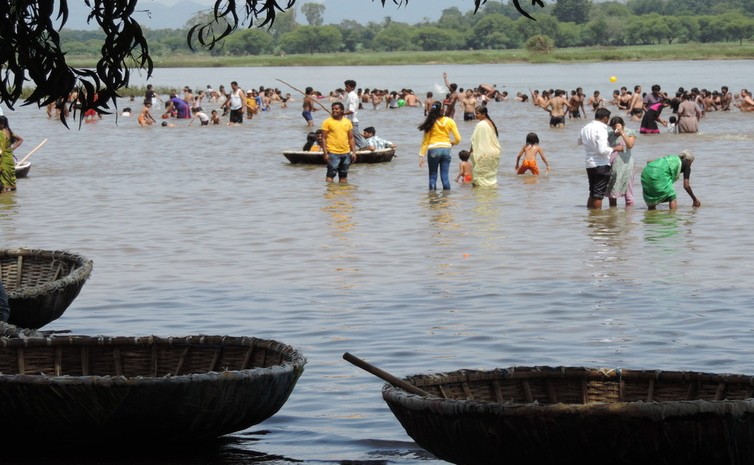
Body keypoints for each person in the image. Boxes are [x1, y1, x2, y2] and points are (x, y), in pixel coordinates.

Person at [578, 108, 624, 209]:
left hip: (589, 164)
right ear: (605, 118)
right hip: (601, 164)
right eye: (607, 119)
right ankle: (597, 218)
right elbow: (602, 150)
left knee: (593, 193)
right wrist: (617, 148)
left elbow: (579, 141)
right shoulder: (601, 129)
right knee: (599, 195)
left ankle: (591, 216)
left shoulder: (585, 127)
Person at [418, 101, 461, 191]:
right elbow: (458, 138)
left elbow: (425, 141)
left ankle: (433, 200)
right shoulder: (450, 121)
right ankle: (446, 200)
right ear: (443, 109)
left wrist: (421, 156)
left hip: (433, 150)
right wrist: (453, 143)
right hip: (446, 149)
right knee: (445, 176)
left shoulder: (430, 122)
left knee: (433, 176)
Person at [321, 102, 356, 184]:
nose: (334, 110)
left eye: (336, 109)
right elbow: (324, 138)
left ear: (342, 111)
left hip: (346, 153)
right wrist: (325, 153)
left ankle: (342, 194)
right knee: (330, 175)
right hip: (333, 153)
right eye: (333, 109)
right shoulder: (327, 122)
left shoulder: (347, 122)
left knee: (343, 176)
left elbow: (351, 138)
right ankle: (330, 193)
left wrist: (354, 152)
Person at [606, 116, 637, 207]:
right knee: (612, 193)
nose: (615, 130)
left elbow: (630, 145)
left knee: (628, 194)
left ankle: (629, 218)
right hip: (613, 165)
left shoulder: (630, 133)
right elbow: (603, 148)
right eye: (613, 127)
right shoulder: (610, 134)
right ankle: (612, 215)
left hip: (626, 165)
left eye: (617, 127)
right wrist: (615, 148)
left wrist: (622, 132)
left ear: (623, 125)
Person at [468, 105, 501, 187]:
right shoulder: (490, 123)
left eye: (477, 113)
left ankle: (478, 198)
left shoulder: (481, 124)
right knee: (490, 179)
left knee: (478, 180)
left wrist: (470, 152)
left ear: (484, 114)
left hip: (484, 154)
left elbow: (474, 140)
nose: (475, 115)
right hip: (494, 153)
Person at [0, 116, 22, 192]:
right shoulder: (9, 131)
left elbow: (1, 149)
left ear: (2, 124)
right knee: (10, 177)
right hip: (9, 157)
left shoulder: (2, 133)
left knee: (3, 179)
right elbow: (20, 139)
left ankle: (5, 197)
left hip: (3, 158)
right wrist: (11, 149)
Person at [343, 80, 367, 149]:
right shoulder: (349, 95)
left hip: (352, 121)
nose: (345, 88)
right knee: (350, 137)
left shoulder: (352, 96)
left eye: (347, 87)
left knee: (356, 138)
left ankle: (365, 147)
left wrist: (341, 114)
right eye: (345, 86)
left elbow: (352, 110)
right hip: (348, 120)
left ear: (352, 87)